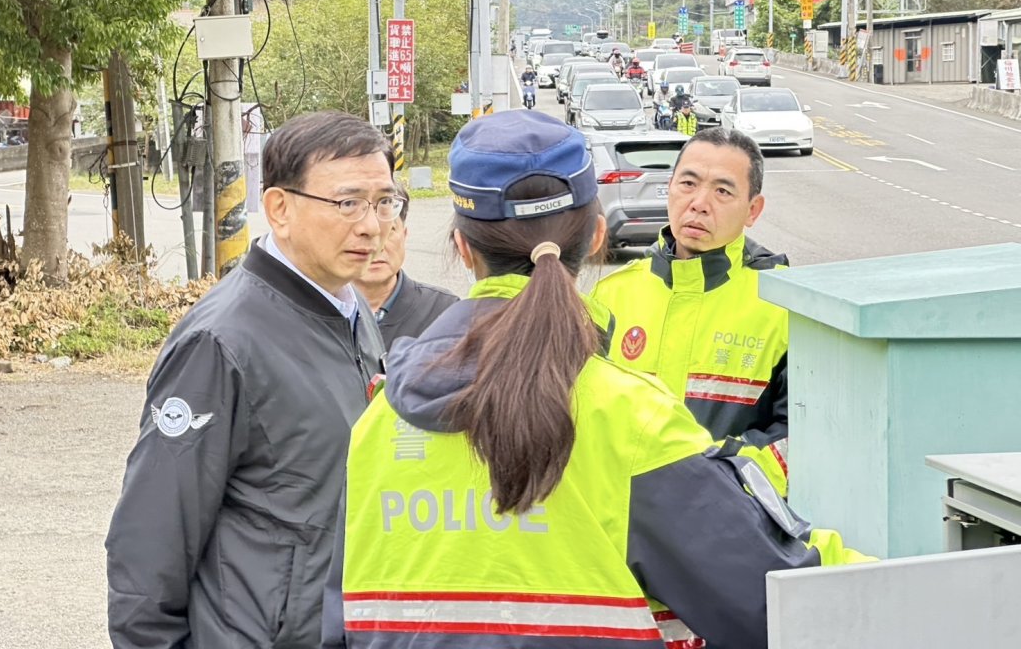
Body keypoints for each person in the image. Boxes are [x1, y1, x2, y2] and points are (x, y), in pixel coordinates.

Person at [321, 110, 870, 649]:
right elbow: (773, 601)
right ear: (597, 235)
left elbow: (338, 619)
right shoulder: (627, 418)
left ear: (462, 247)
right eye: (689, 183)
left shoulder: (378, 422)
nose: (700, 202)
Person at [106, 111, 399, 649]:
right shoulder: (221, 342)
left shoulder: (348, 306)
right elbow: (151, 537)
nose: (372, 225)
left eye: (384, 201)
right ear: (279, 208)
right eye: (348, 201)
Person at [592, 127, 791, 496]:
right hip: (622, 524)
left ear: (753, 210)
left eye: (722, 191)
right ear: (670, 187)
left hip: (732, 523)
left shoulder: (787, 301)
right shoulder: (611, 295)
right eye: (688, 183)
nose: (699, 202)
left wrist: (716, 484)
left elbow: (797, 434)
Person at [353, 183, 459, 350]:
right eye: (363, 234)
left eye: (389, 231)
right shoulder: (317, 312)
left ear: (404, 235)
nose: (377, 247)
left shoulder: (444, 312)